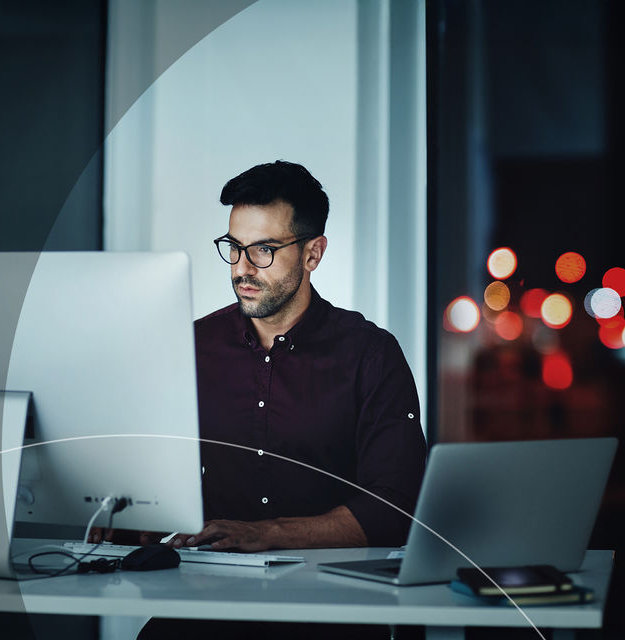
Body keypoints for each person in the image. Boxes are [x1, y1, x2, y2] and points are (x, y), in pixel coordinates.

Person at [119, 161, 429, 639]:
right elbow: (146, 470)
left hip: (329, 612)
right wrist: (130, 517)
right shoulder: (190, 346)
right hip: (203, 604)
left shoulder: (370, 353)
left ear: (313, 253)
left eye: (264, 250)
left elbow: (396, 506)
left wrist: (265, 535)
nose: (242, 268)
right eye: (234, 247)